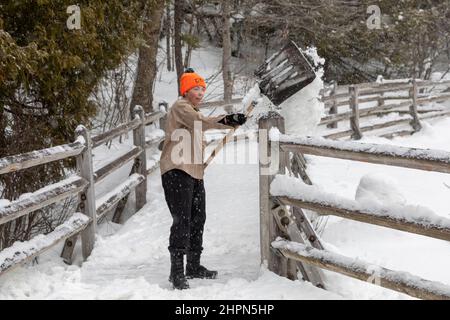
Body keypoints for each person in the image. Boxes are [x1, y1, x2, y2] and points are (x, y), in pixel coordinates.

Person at [160, 69, 247, 290]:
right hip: (177, 171)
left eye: (202, 89)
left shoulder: (192, 112)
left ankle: (194, 265)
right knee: (183, 220)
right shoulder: (181, 107)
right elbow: (202, 121)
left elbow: (198, 136)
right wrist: (228, 120)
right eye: (195, 88)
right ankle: (176, 272)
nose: (200, 93)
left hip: (195, 173)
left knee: (198, 219)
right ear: (185, 90)